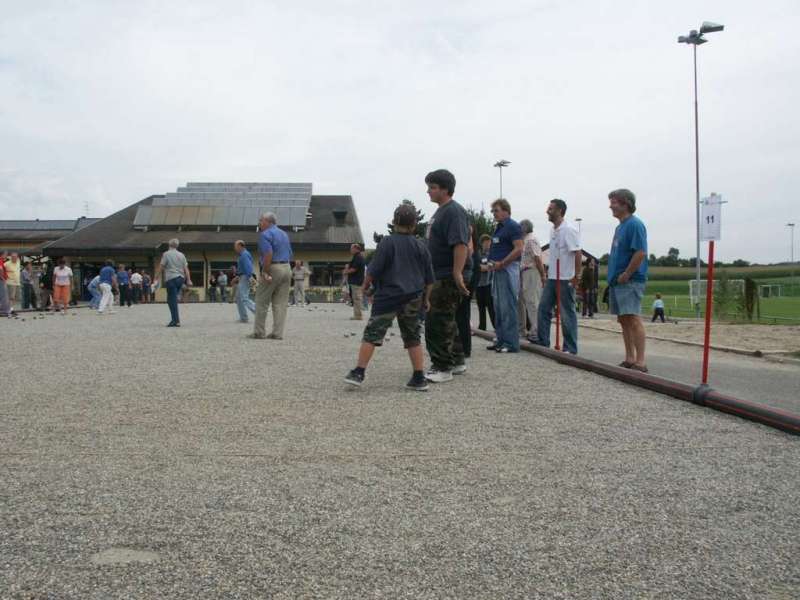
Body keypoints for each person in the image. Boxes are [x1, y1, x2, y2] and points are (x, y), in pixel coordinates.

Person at [345, 203, 434, 391]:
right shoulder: (421, 246)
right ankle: (418, 376)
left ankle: (359, 372)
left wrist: (365, 286)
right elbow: (429, 278)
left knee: (372, 334)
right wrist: (426, 299)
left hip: (388, 296)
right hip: (413, 297)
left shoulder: (387, 242)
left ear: (394, 222)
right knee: (413, 336)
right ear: (414, 224)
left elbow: (374, 270)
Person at [423, 169, 471, 382]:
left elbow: (460, 244)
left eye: (432, 187)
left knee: (437, 320)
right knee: (448, 319)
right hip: (439, 273)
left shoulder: (453, 211)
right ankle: (457, 360)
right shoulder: (441, 211)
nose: (428, 191)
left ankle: (442, 367)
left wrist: (457, 273)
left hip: (447, 275)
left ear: (445, 189)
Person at [607, 188, 648, 371]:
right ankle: (629, 357)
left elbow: (640, 252)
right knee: (623, 320)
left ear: (625, 204)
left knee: (633, 318)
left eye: (614, 202)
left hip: (630, 280)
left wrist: (627, 274)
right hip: (618, 280)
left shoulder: (634, 225)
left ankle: (640, 361)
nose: (610, 206)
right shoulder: (619, 227)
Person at [534, 199, 582, 354]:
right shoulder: (552, 230)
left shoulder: (569, 230)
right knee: (543, 308)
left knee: (567, 313)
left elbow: (577, 252)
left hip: (565, 277)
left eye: (551, 208)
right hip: (553, 277)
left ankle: (570, 348)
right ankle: (543, 340)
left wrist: (576, 276)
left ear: (560, 211)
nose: (547, 211)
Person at [485, 199, 524, 353]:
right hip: (497, 270)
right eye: (493, 211)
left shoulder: (512, 226)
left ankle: (511, 343)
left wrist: (503, 263)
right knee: (499, 307)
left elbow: (519, 248)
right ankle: (501, 340)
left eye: (496, 210)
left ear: (506, 211)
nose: (494, 213)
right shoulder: (498, 228)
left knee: (508, 306)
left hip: (507, 269)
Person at [250, 212, 293, 340]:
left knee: (261, 301)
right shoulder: (284, 234)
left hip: (273, 267)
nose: (259, 223)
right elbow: (290, 253)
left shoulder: (265, 234)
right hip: (286, 267)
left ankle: (259, 332)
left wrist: (265, 271)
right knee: (280, 303)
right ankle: (277, 333)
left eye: (261, 220)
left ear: (269, 222)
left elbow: (268, 253)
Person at [518, 219, 546, 342]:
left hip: (531, 272)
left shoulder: (531, 240)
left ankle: (536, 331)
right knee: (526, 302)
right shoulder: (525, 240)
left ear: (524, 228)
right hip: (525, 272)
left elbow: (537, 258)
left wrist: (542, 275)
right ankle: (525, 329)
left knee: (532, 302)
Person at [154, 239, 192, 327]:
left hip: (171, 278)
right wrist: (189, 280)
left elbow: (161, 267)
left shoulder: (166, 254)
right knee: (173, 299)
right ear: (177, 246)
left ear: (169, 245)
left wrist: (155, 277)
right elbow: (186, 269)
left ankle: (175, 321)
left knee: (171, 300)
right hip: (180, 278)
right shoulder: (181, 255)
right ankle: (175, 318)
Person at [474, 234, 495, 331]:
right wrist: (482, 267)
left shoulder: (492, 253)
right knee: (480, 306)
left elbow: (491, 266)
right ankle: (482, 326)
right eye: (486, 243)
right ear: (481, 243)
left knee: (490, 306)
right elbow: (477, 267)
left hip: (489, 284)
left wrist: (483, 267)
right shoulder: (478, 254)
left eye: (489, 243)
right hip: (479, 284)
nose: (488, 245)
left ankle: (496, 326)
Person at [233, 240, 257, 323]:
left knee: (244, 297)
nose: (234, 248)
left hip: (245, 277)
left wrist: (250, 277)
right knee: (239, 298)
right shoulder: (242, 255)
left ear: (240, 246)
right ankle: (243, 317)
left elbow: (248, 267)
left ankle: (259, 311)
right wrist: (236, 277)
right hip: (242, 276)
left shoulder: (244, 255)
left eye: (235, 246)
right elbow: (242, 269)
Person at [343, 244, 366, 320]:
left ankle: (358, 316)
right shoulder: (357, 257)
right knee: (355, 298)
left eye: (351, 248)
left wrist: (346, 272)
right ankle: (357, 315)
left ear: (356, 249)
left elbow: (354, 269)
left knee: (357, 298)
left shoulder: (358, 257)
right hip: (356, 281)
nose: (350, 250)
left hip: (357, 281)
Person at [0, 251, 11, 317]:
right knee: (4, 296)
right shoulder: (0, 260)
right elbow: (0, 269)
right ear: (2, 255)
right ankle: (4, 311)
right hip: (1, 280)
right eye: (6, 255)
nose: (6, 256)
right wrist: (3, 278)